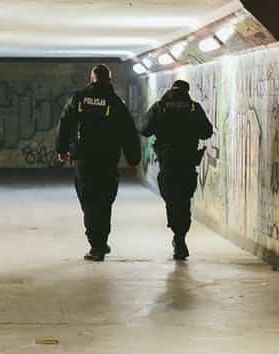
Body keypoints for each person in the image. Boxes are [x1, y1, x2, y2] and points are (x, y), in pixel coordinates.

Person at [55, 64, 141, 261]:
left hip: (83, 160)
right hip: (108, 160)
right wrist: (133, 160)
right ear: (109, 79)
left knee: (88, 199)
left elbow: (65, 123)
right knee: (105, 200)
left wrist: (62, 150)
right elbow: (128, 132)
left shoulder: (79, 99)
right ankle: (101, 242)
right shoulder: (115, 102)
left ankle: (96, 244)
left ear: (91, 78)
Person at [140, 80, 213, 260]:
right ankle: (180, 238)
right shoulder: (194, 108)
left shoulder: (160, 107)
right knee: (184, 199)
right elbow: (207, 132)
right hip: (187, 163)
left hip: (168, 163)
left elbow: (145, 129)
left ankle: (177, 236)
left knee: (171, 199)